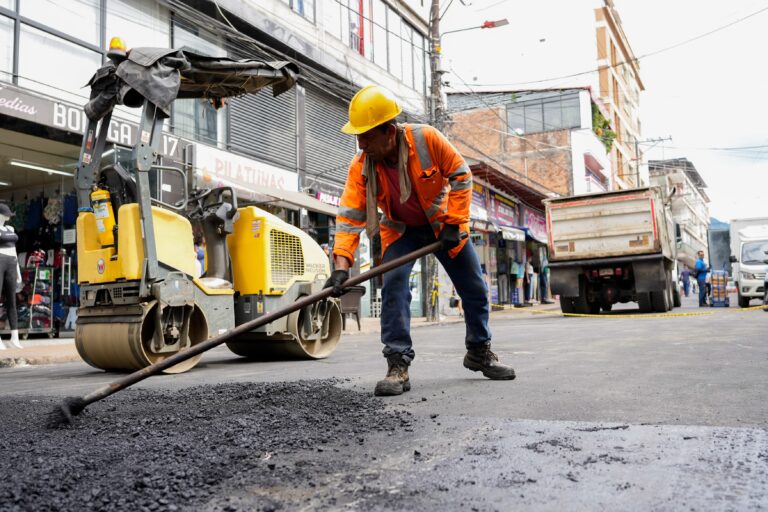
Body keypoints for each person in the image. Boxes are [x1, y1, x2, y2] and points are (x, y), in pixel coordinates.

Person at [324, 85, 515, 396]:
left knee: (474, 288)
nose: (361, 144)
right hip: (402, 230)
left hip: (442, 226)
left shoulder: (426, 138)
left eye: (367, 136)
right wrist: (341, 268)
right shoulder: (361, 166)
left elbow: (461, 175)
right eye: (357, 137)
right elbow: (349, 219)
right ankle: (397, 364)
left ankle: (479, 352)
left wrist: (454, 223)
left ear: (389, 131)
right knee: (395, 286)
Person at [0, 203, 22, 350]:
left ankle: (15, 337)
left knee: (12, 302)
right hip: (0, 260)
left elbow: (14, 250)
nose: (9, 216)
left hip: (12, 263)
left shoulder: (10, 229)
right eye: (6, 213)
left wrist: (18, 271)